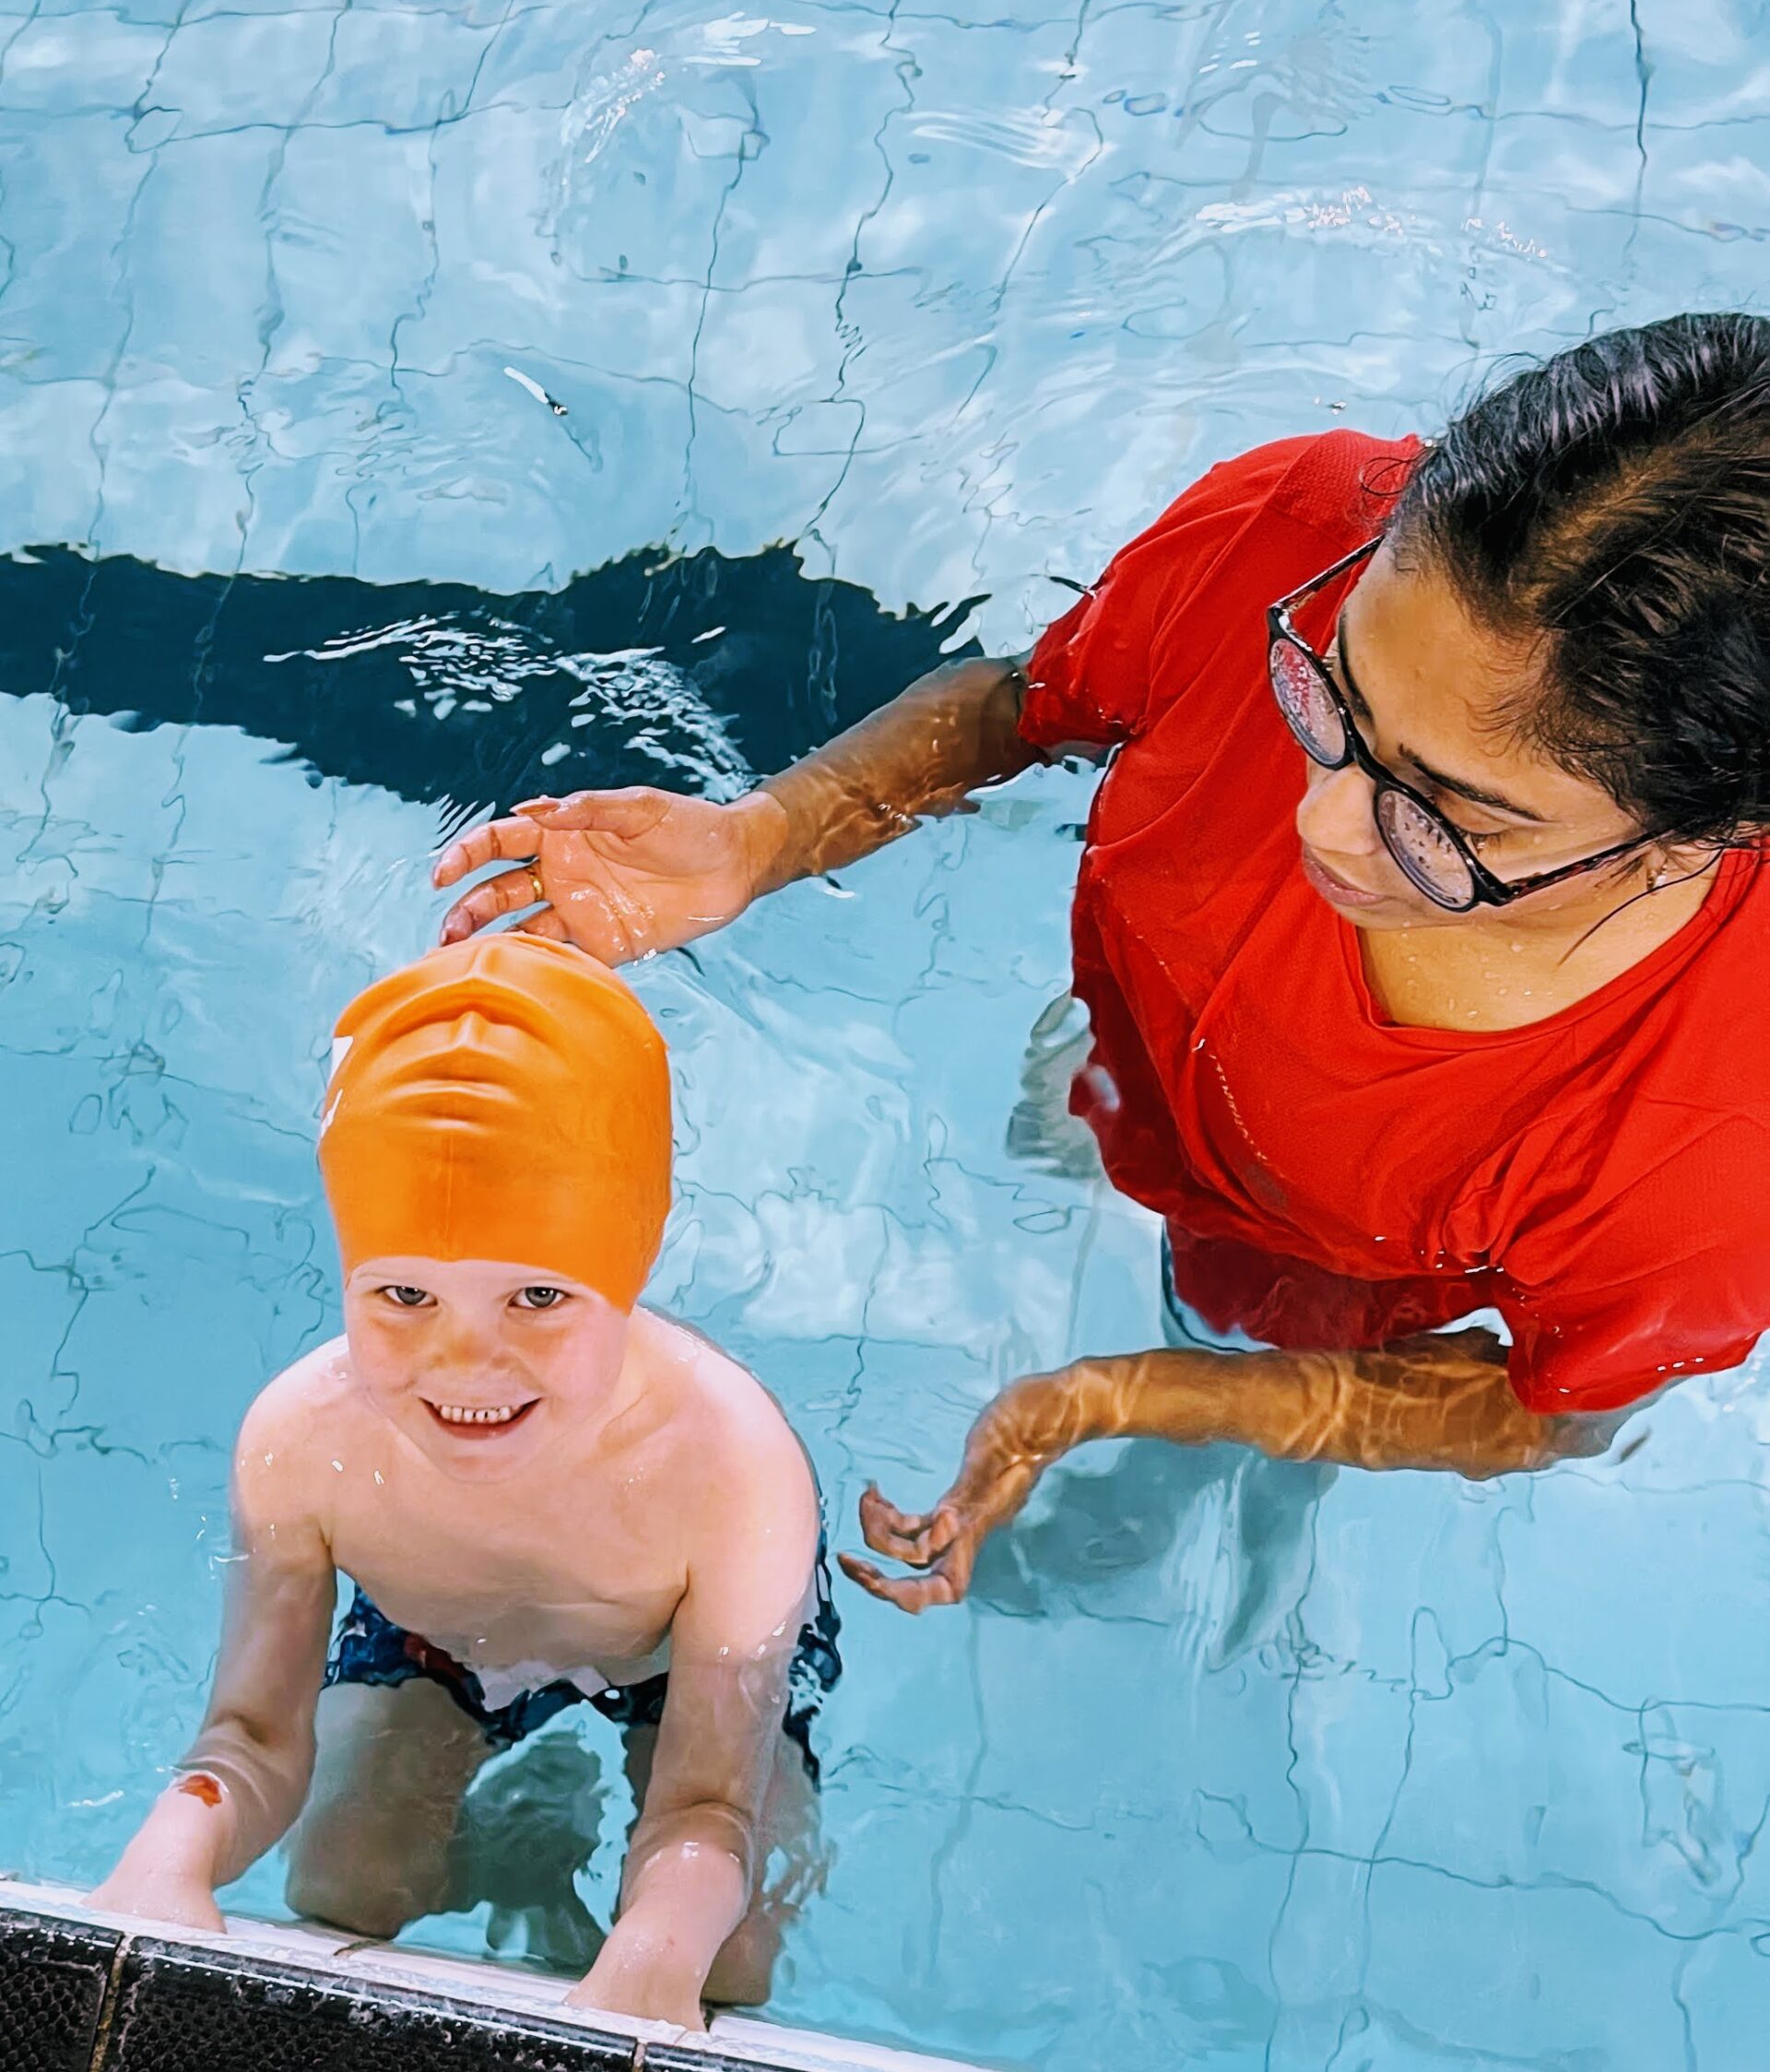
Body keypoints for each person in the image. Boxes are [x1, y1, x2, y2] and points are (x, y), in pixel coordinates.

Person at [431, 313, 1770, 1612]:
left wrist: (1127, 1396)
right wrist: (762, 838)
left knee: (1237, 1318)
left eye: (1444, 816)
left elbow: (1544, 1411)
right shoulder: (1300, 526)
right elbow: (1035, 706)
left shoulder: (1709, 1153)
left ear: (1699, 837)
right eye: (1330, 693)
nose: (1318, 822)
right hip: (1143, 1029)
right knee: (1084, 1102)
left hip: (1321, 1253)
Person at [90, 935, 840, 2024]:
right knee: (339, 1886)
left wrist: (656, 1949)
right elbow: (247, 1737)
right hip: (442, 1638)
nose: (466, 1361)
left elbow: (706, 1799)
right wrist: (170, 1854)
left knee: (731, 1967)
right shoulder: (300, 1438)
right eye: (403, 1296)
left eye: (538, 1297)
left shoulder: (733, 1469)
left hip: (681, 1656)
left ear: (628, 1266)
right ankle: (519, 1852)